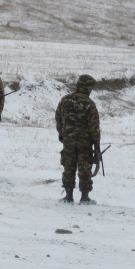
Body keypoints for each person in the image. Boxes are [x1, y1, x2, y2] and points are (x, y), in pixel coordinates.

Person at [55, 74, 101, 205]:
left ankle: (68, 196)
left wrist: (62, 134)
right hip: (84, 142)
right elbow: (94, 126)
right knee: (85, 168)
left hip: (68, 140)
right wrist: (96, 145)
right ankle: (84, 197)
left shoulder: (65, 100)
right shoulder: (89, 103)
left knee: (68, 167)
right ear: (88, 87)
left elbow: (58, 118)